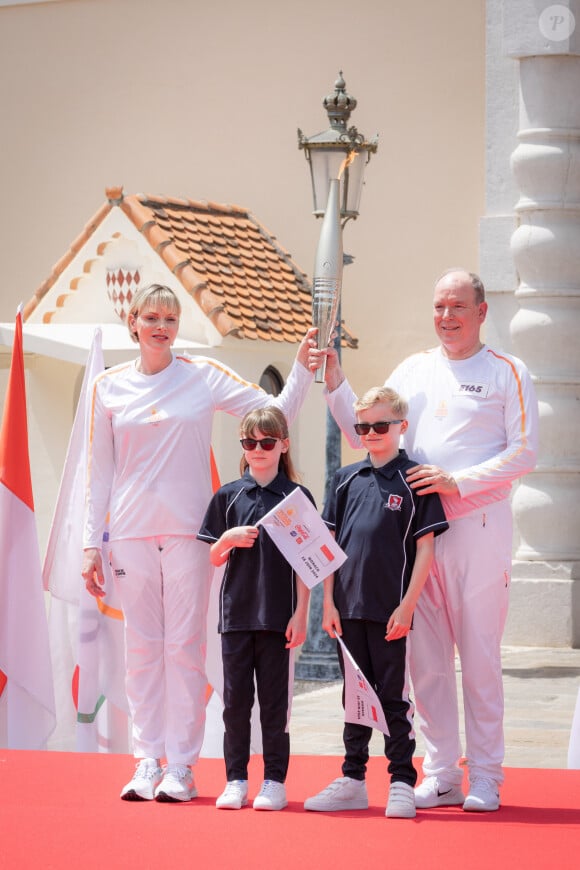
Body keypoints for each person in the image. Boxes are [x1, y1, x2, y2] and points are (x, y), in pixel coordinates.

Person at [310, 268, 538, 812]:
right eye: (439, 306)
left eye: (458, 306)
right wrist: (337, 381)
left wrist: (460, 481)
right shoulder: (412, 369)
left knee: (479, 658)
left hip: (477, 530)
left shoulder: (508, 370)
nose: (447, 317)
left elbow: (525, 451)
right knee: (427, 662)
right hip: (413, 540)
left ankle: (484, 775)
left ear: (481, 311)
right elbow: (366, 426)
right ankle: (440, 773)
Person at [81, 283, 315, 802]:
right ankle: (147, 759)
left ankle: (182, 767)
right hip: (130, 533)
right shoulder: (108, 387)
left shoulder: (202, 376)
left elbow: (273, 416)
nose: (161, 326)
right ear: (134, 323)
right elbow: (98, 472)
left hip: (192, 533)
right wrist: (90, 543)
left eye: (170, 317)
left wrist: (300, 369)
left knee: (184, 649)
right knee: (141, 649)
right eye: (151, 317)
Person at [304, 386, 448, 819]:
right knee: (354, 698)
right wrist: (327, 604)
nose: (370, 433)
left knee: (392, 698)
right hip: (346, 611)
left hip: (390, 612)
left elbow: (425, 549)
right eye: (362, 426)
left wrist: (407, 606)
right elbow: (328, 546)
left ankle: (402, 780)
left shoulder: (416, 479)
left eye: (380, 425)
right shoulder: (345, 479)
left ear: (401, 427)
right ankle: (352, 780)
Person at [197, 406, 313, 812]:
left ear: (283, 444)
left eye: (267, 442)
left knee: (275, 707)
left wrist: (302, 614)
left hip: (279, 618)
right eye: (250, 442)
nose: (259, 450)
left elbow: (308, 561)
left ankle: (275, 781)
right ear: (242, 447)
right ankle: (235, 780)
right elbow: (212, 557)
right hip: (236, 616)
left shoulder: (296, 497)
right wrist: (226, 538)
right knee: (236, 705)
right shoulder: (228, 495)